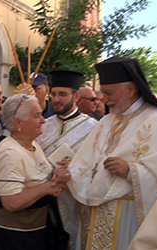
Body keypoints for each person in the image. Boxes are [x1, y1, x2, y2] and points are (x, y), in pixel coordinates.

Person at [67, 56, 157, 250]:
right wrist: (70, 172)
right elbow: (88, 161)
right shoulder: (106, 121)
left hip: (129, 218)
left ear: (130, 89)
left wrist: (131, 171)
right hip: (94, 215)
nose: (104, 99)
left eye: (109, 92)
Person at [0, 94, 70, 250]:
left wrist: (57, 172)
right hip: (10, 237)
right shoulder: (10, 152)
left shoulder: (32, 144)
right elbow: (11, 202)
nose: (43, 120)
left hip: (32, 232)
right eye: (37, 116)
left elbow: (37, 175)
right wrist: (47, 187)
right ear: (18, 123)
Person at [36, 70, 98, 250]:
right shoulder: (43, 124)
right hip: (43, 200)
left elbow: (98, 164)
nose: (56, 99)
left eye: (63, 94)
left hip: (74, 200)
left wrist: (75, 168)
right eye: (54, 94)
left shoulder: (94, 128)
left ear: (76, 96)